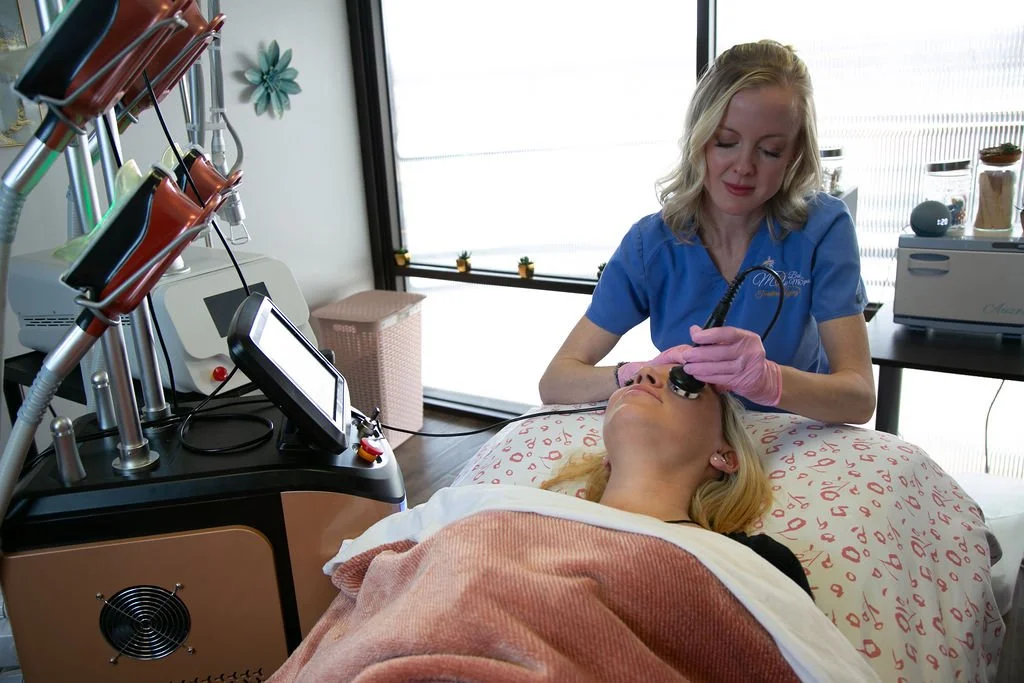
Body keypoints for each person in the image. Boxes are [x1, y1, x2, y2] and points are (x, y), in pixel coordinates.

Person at [538, 40, 876, 425]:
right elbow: (556, 382)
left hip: (794, 440)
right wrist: (636, 373)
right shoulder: (652, 245)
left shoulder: (821, 229)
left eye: (770, 151)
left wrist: (771, 381)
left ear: (795, 154)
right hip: (692, 439)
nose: (744, 166)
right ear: (699, 137)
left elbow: (859, 399)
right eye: (726, 142)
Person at [541, 363, 811, 598]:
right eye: (633, 378)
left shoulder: (756, 564)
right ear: (608, 456)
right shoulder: (536, 522)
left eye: (681, 383)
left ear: (725, 457)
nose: (644, 374)